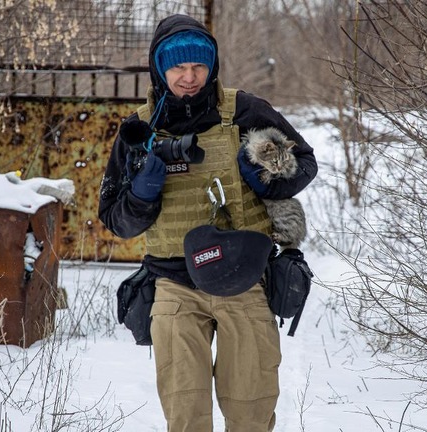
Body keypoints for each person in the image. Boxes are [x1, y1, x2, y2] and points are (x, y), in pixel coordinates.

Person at [98, 14, 317, 432]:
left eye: (199, 65)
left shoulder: (245, 111)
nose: (189, 77)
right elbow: (115, 220)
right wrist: (142, 194)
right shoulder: (139, 130)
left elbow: (304, 164)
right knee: (186, 418)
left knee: (251, 413)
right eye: (178, 66)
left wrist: (263, 174)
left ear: (212, 65)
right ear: (159, 68)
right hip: (174, 285)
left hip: (247, 282)